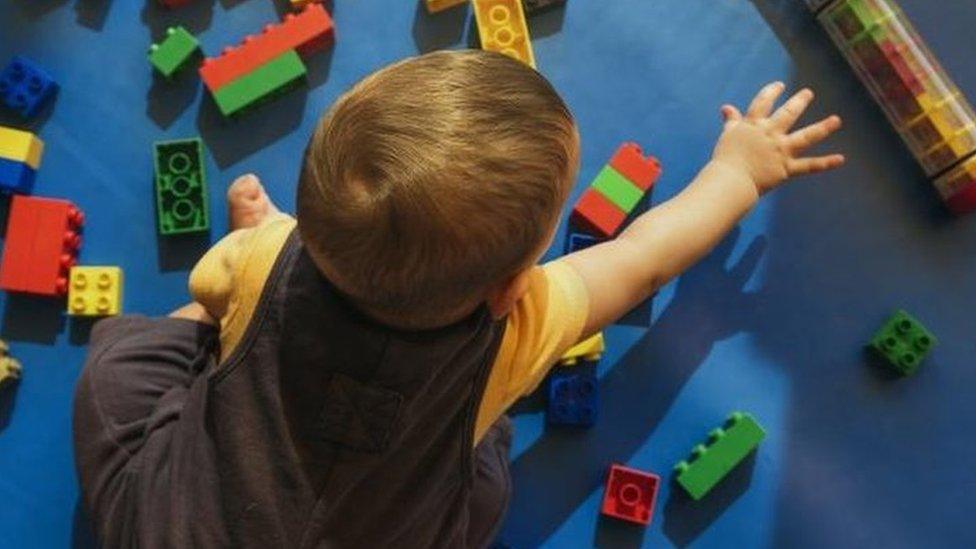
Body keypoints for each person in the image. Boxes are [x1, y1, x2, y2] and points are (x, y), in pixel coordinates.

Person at [73, 50, 843, 547]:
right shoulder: (519, 329)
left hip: (170, 528)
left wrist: (235, 284)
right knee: (475, 486)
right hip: (391, 521)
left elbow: (212, 286)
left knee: (119, 368)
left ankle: (228, 324)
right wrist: (739, 172)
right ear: (512, 288)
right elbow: (640, 259)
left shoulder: (270, 254)